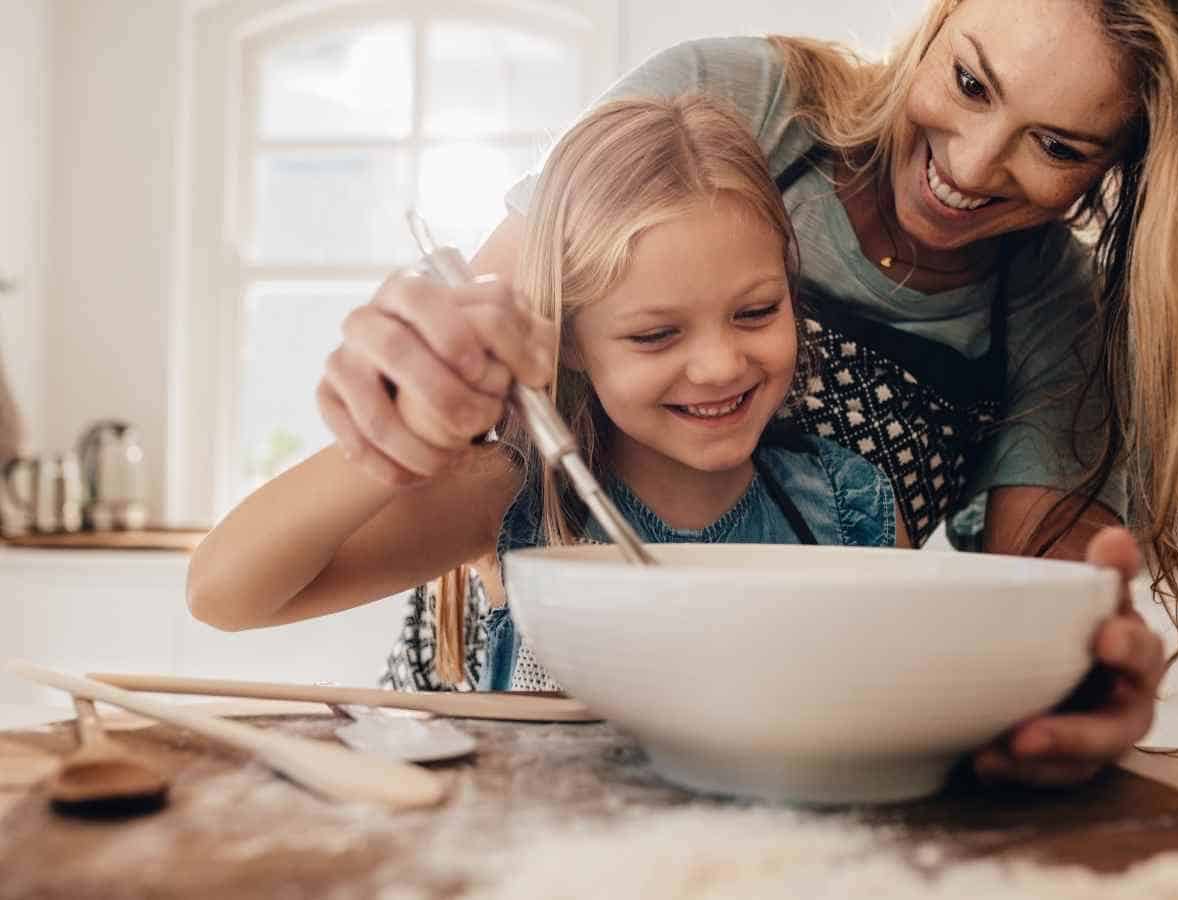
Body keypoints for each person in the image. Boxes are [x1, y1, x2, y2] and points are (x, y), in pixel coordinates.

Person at [308, 0, 1178, 787]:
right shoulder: (739, 102)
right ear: (938, 17)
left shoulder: (1061, 317)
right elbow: (498, 363)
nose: (969, 167)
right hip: (495, 695)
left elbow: (1030, 626)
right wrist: (416, 381)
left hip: (778, 764)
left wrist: (1067, 694)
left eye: (1056, 146)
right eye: (969, 81)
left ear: (1117, 169)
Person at [188, 95, 907, 695]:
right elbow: (224, 595)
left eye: (756, 312)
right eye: (656, 335)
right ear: (567, 341)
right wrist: (409, 430)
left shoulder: (850, 507)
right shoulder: (513, 500)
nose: (720, 365)